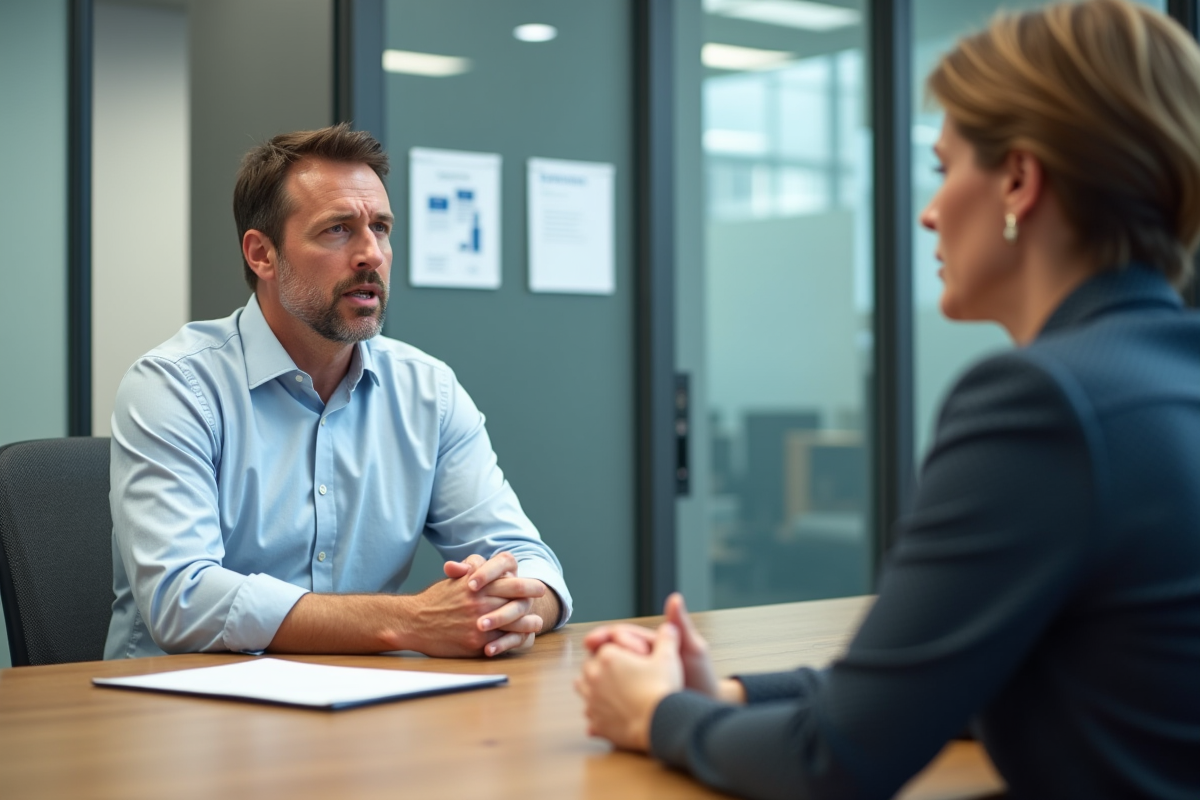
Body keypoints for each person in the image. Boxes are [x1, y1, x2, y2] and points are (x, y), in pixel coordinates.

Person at [576, 1, 1200, 797]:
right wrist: (727, 695)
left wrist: (656, 717)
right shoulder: (1166, 377)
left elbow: (833, 759)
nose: (928, 212)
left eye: (943, 170)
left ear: (1017, 179)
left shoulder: (1044, 405)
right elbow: (954, 681)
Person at [105, 124, 570, 660]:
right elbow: (182, 600)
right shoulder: (175, 387)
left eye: (381, 227)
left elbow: (528, 559)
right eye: (338, 230)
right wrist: (411, 622)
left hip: (360, 711)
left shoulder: (428, 392)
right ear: (262, 255)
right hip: (179, 717)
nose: (371, 253)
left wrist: (506, 606)